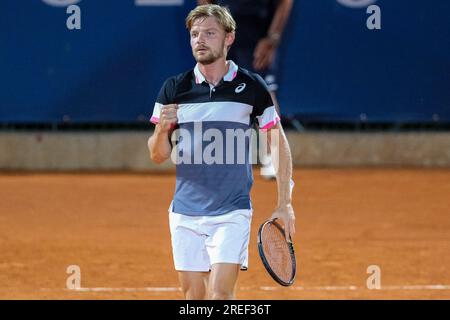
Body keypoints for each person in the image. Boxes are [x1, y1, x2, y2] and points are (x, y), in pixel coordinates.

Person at [147, 4, 295, 300]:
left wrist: (285, 202)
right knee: (193, 297)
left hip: (232, 212)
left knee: (220, 294)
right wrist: (162, 130)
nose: (200, 40)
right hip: (184, 213)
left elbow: (277, 144)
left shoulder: (252, 86)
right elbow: (158, 155)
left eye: (210, 33)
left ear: (229, 38)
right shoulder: (174, 88)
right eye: (195, 34)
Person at [198, 0, 294, 178]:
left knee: (264, 91)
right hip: (224, 29)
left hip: (258, 31)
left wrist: (272, 37)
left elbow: (285, 2)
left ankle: (274, 157)